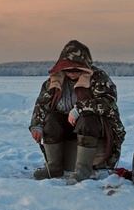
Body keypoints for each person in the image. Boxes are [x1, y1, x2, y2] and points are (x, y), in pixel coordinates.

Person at [29, 40, 126, 184]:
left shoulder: (98, 78)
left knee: (87, 119)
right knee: (51, 120)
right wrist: (36, 126)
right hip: (66, 128)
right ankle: (54, 167)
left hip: (95, 129)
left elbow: (108, 102)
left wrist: (80, 109)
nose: (72, 73)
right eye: (68, 69)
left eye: (77, 69)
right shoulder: (53, 82)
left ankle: (83, 170)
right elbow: (42, 105)